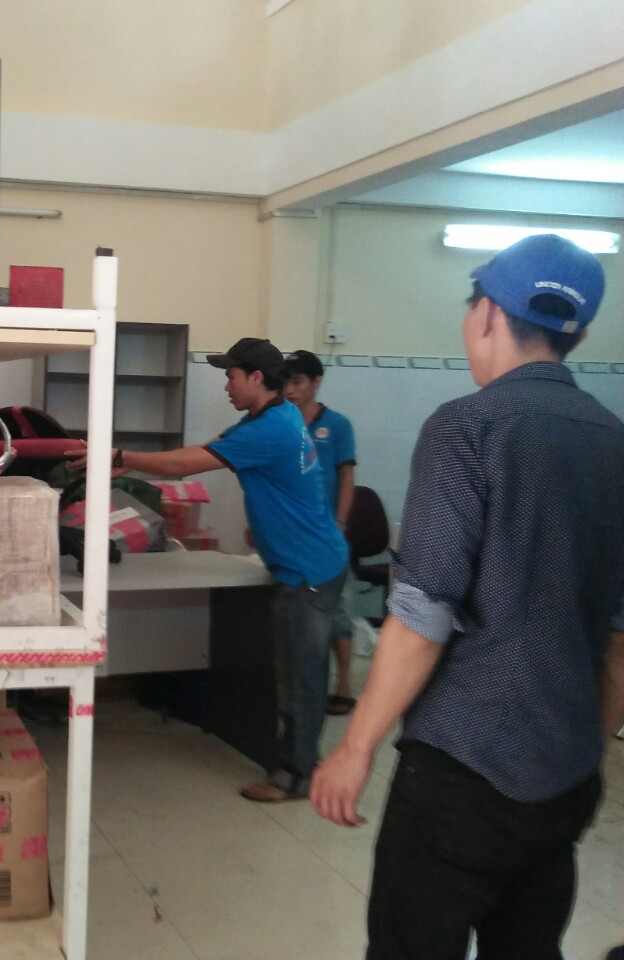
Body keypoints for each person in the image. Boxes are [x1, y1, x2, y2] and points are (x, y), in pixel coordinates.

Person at [310, 234, 624, 959]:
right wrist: (590, 755)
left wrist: (355, 748)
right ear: (577, 334)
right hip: (565, 775)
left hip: (463, 769)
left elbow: (422, 615)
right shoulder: (614, 441)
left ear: (486, 313)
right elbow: (617, 637)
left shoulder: (465, 428)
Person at [75, 337, 349, 802]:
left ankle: (297, 776)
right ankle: (298, 765)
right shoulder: (272, 417)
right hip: (309, 561)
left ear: (256, 378)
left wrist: (121, 458)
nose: (226, 385)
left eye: (231, 375)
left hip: (309, 571)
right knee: (294, 675)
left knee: (300, 679)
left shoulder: (270, 428)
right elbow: (206, 450)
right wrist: (127, 463)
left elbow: (188, 463)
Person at [283, 349, 359, 715]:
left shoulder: (337, 425)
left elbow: (346, 477)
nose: (290, 389)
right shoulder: (281, 422)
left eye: (297, 381)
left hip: (328, 535)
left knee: (336, 611)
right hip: (289, 534)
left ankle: (343, 683)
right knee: (297, 611)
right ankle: (301, 686)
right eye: (286, 382)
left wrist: (341, 524)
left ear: (316, 382)